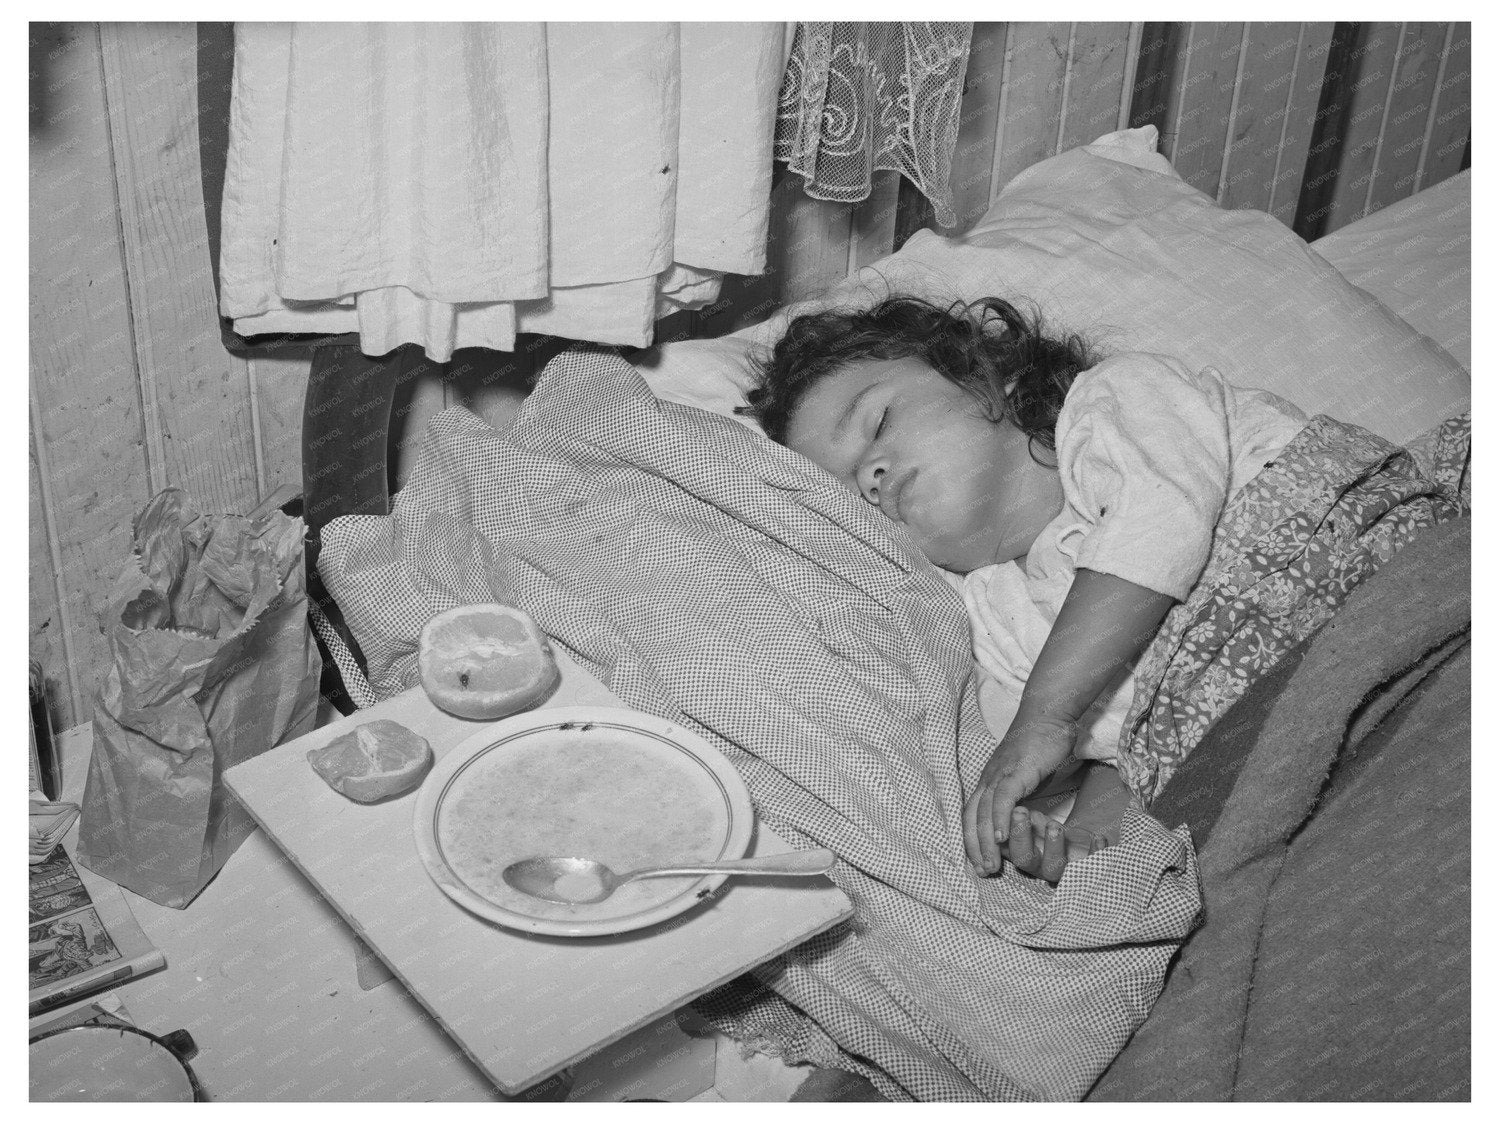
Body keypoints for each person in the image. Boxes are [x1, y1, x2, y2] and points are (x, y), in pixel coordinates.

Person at [739, 294, 1306, 882]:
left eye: (879, 422)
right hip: (1279, 739)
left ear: (983, 377)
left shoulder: (1113, 402)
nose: (870, 475)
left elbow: (1159, 525)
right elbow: (1112, 744)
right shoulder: (987, 615)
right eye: (850, 491)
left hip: (1367, 585)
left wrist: (1046, 715)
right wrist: (1063, 829)